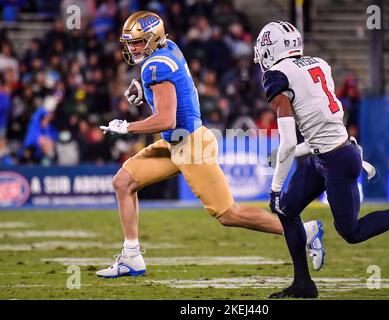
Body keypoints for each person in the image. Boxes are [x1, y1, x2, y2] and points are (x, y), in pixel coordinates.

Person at [96, 12, 325, 278]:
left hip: (190, 146)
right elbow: (175, 88)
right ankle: (132, 257)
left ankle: (305, 231)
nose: (132, 48)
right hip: (177, 144)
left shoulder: (155, 67)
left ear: (153, 38)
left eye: (138, 42)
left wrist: (127, 127)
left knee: (229, 214)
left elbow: (167, 119)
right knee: (123, 182)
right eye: (130, 43)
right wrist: (142, 90)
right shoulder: (168, 48)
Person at [254, 21, 389, 299]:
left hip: (335, 160)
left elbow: (288, 142)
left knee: (351, 231)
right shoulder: (319, 64)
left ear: (272, 49)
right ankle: (303, 284)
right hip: (330, 153)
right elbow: (318, 129)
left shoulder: (277, 75)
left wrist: (274, 187)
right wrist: (291, 154)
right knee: (287, 209)